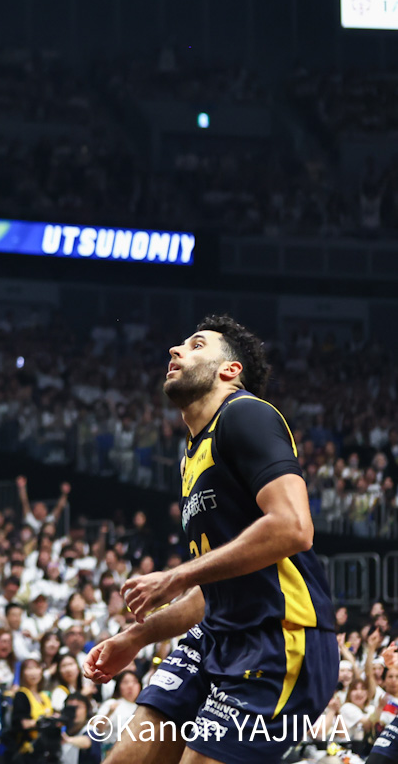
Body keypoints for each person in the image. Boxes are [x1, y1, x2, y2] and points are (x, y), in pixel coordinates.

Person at [85, 316, 338, 764]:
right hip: (217, 634)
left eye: (196, 345)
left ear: (229, 370)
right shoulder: (189, 458)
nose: (175, 350)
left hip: (279, 635)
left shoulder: (245, 413)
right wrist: (137, 637)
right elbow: (214, 589)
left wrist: (176, 576)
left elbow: (293, 526)